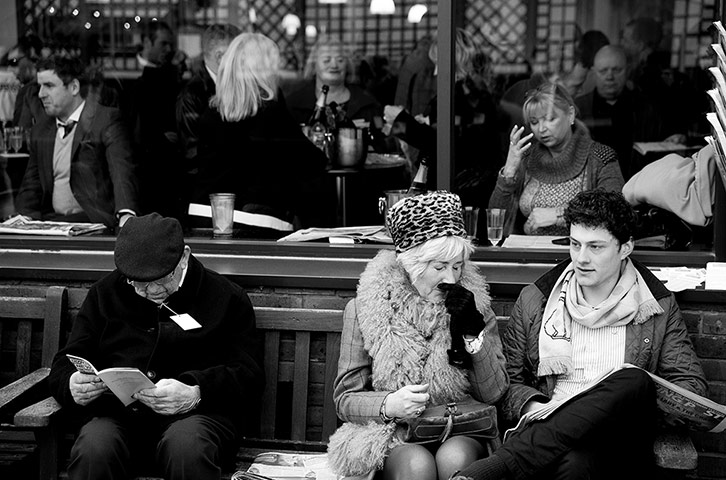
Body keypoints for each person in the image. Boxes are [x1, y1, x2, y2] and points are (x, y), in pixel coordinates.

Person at [452, 189, 707, 480]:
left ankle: (494, 469)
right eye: (575, 245)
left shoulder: (656, 305)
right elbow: (507, 384)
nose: (581, 258)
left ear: (625, 248)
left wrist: (619, 406)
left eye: (595, 247)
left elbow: (692, 388)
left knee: (633, 380)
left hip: (619, 439)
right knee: (576, 461)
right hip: (549, 431)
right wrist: (540, 406)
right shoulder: (537, 299)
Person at [48, 213, 264, 480]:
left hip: (195, 418)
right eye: (138, 283)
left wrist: (196, 391)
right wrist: (71, 384)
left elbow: (249, 375)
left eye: (160, 280)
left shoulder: (226, 296)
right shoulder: (106, 293)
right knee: (94, 447)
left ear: (184, 257)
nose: (150, 291)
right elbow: (65, 362)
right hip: (118, 417)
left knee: (188, 448)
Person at [327, 191, 509, 480]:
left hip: (461, 426)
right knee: (416, 465)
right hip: (396, 432)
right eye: (439, 267)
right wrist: (390, 405)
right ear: (411, 263)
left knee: (455, 458)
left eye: (458, 266)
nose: (451, 278)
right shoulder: (366, 308)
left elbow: (494, 392)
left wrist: (472, 333)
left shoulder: (473, 305)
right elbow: (345, 400)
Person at [189, 32, 334, 236]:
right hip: (256, 221)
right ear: (264, 71)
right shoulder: (271, 113)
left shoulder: (211, 112)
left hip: (205, 216)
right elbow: (314, 162)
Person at [14, 55, 139, 229]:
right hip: (53, 222)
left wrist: (126, 214)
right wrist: (20, 222)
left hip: (93, 222)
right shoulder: (41, 130)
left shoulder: (105, 119)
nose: (41, 94)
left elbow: (121, 171)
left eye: (49, 86)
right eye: (39, 86)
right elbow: (31, 186)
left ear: (74, 87)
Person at [385, 29, 504, 208]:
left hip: (462, 192)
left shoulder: (466, 96)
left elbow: (446, 142)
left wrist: (400, 122)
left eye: (438, 64)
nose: (434, 72)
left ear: (453, 62)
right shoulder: (470, 93)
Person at [489, 81, 623, 236]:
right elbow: (495, 219)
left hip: (581, 255)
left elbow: (616, 213)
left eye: (551, 119)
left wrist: (559, 215)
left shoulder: (600, 157)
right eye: (534, 122)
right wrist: (509, 171)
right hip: (529, 253)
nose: (542, 129)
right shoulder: (526, 158)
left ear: (570, 115)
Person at [574, 45, 674, 180]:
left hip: (638, 186)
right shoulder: (579, 108)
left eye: (616, 70)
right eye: (603, 71)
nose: (610, 76)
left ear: (628, 70)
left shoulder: (646, 108)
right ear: (593, 73)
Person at [176, 23, 241, 212]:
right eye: (239, 56)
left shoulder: (235, 88)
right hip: (206, 198)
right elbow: (193, 156)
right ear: (221, 57)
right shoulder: (192, 95)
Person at [128, 20, 185, 219]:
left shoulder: (172, 73)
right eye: (163, 44)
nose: (168, 49)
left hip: (169, 170)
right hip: (143, 169)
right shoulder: (127, 72)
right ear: (146, 42)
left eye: (170, 44)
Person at [285, 35, 382, 128]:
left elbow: (380, 137)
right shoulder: (293, 105)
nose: (334, 65)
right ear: (314, 66)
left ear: (347, 65)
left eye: (340, 60)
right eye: (326, 60)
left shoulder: (368, 104)